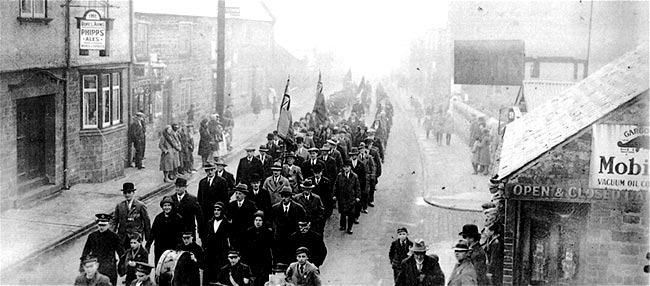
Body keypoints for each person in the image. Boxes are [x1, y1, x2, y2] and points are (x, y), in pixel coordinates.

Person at [81, 214, 124, 286]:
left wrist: (122, 267)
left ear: (108, 225)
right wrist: (82, 266)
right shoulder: (92, 236)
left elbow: (121, 253)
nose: (101, 227)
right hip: (96, 267)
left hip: (109, 268)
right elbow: (86, 252)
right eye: (100, 225)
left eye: (103, 225)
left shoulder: (114, 237)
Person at [270, 187, 306, 264]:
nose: (284, 198)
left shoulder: (298, 208)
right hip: (280, 237)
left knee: (292, 259)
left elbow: (304, 222)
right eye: (282, 196)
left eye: (286, 196)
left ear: (290, 197)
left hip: (293, 237)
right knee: (280, 260)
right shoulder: (275, 208)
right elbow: (270, 222)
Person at [113, 182, 151, 250]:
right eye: (125, 193)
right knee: (124, 257)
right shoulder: (120, 206)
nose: (127, 195)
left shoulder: (140, 206)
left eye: (129, 192)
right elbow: (114, 221)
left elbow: (146, 222)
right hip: (123, 238)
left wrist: (148, 239)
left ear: (133, 193)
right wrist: (111, 235)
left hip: (135, 238)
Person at [146, 196, 183, 263]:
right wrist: (148, 245)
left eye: (169, 205)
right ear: (162, 207)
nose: (167, 207)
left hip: (172, 247)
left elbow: (180, 233)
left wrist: (179, 246)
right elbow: (153, 233)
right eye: (165, 205)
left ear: (172, 206)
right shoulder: (158, 218)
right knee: (159, 266)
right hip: (160, 247)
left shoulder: (177, 218)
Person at [204, 202, 233, 286]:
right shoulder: (210, 223)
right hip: (211, 253)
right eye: (215, 210)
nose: (216, 212)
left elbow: (229, 239)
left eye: (218, 210)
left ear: (222, 211)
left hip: (222, 252)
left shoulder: (227, 224)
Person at [242, 211, 274, 286]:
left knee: (263, 279)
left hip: (264, 260)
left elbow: (270, 246)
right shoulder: (249, 232)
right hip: (252, 260)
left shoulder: (267, 232)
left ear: (263, 222)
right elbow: (246, 247)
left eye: (260, 220)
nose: (258, 222)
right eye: (256, 220)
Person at [171, 178, 205, 242]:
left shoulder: (192, 199)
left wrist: (201, 231)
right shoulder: (171, 199)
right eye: (177, 186)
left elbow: (199, 217)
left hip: (188, 231)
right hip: (175, 231)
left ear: (185, 187)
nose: (178, 188)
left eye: (180, 187)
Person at [227, 183, 258, 249]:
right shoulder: (232, 205)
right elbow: (229, 219)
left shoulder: (251, 205)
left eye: (240, 194)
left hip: (246, 234)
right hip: (235, 235)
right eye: (236, 193)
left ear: (244, 195)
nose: (237, 195)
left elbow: (253, 219)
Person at [333, 160, 360, 234]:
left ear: (350, 167)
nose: (346, 169)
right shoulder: (339, 176)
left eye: (347, 167)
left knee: (351, 214)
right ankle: (343, 225)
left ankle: (350, 228)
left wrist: (357, 196)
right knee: (343, 212)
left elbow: (357, 187)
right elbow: (336, 185)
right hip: (342, 197)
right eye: (345, 167)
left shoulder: (354, 176)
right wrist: (334, 195)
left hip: (351, 198)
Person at [349, 147, 366, 220]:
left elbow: (363, 176)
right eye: (352, 155)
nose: (354, 156)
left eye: (355, 155)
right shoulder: (348, 164)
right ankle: (350, 216)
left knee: (358, 202)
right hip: (349, 186)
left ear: (357, 155)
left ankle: (356, 216)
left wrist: (362, 187)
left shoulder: (361, 164)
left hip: (358, 186)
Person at [358, 142, 376, 208]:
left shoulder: (369, 157)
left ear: (365, 149)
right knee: (360, 191)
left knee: (366, 191)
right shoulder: (357, 158)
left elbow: (373, 167)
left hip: (367, 176)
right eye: (360, 149)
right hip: (360, 177)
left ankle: (365, 206)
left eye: (363, 149)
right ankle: (360, 205)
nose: (361, 150)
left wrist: (372, 175)